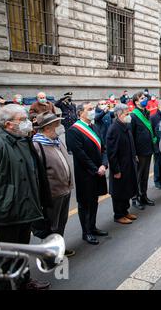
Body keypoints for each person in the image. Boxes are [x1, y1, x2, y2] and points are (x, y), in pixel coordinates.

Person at [0, 104, 50, 290]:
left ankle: (24, 282)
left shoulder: (23, 140)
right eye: (22, 120)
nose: (27, 123)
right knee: (6, 257)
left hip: (26, 208)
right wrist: (5, 199)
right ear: (8, 124)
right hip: (5, 213)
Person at [32, 112, 74, 257]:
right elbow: (36, 174)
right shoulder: (37, 145)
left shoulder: (56, 140)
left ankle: (58, 248)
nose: (60, 126)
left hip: (65, 189)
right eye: (57, 124)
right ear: (48, 127)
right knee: (51, 225)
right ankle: (48, 253)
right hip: (52, 194)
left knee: (61, 222)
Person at [66, 102, 109, 245]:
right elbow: (80, 155)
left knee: (94, 201)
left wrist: (103, 164)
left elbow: (103, 148)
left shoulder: (94, 126)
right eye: (89, 109)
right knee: (85, 203)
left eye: (92, 109)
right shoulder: (74, 130)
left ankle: (93, 226)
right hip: (86, 174)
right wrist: (95, 168)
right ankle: (86, 232)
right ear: (80, 113)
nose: (92, 111)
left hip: (99, 170)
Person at [106, 104, 138, 225]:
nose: (129, 116)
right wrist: (116, 170)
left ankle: (125, 211)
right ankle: (118, 215)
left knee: (127, 189)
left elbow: (130, 142)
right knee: (119, 192)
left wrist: (134, 155)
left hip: (128, 163)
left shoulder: (125, 125)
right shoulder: (114, 129)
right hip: (120, 167)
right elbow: (112, 153)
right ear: (119, 115)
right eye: (127, 114)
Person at [130, 92, 157, 209]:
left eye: (145, 98)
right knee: (138, 176)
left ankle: (143, 196)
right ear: (136, 102)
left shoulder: (146, 112)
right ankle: (135, 199)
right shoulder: (133, 116)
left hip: (148, 149)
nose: (145, 99)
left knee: (145, 175)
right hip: (139, 151)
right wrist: (134, 153)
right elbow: (131, 136)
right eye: (142, 98)